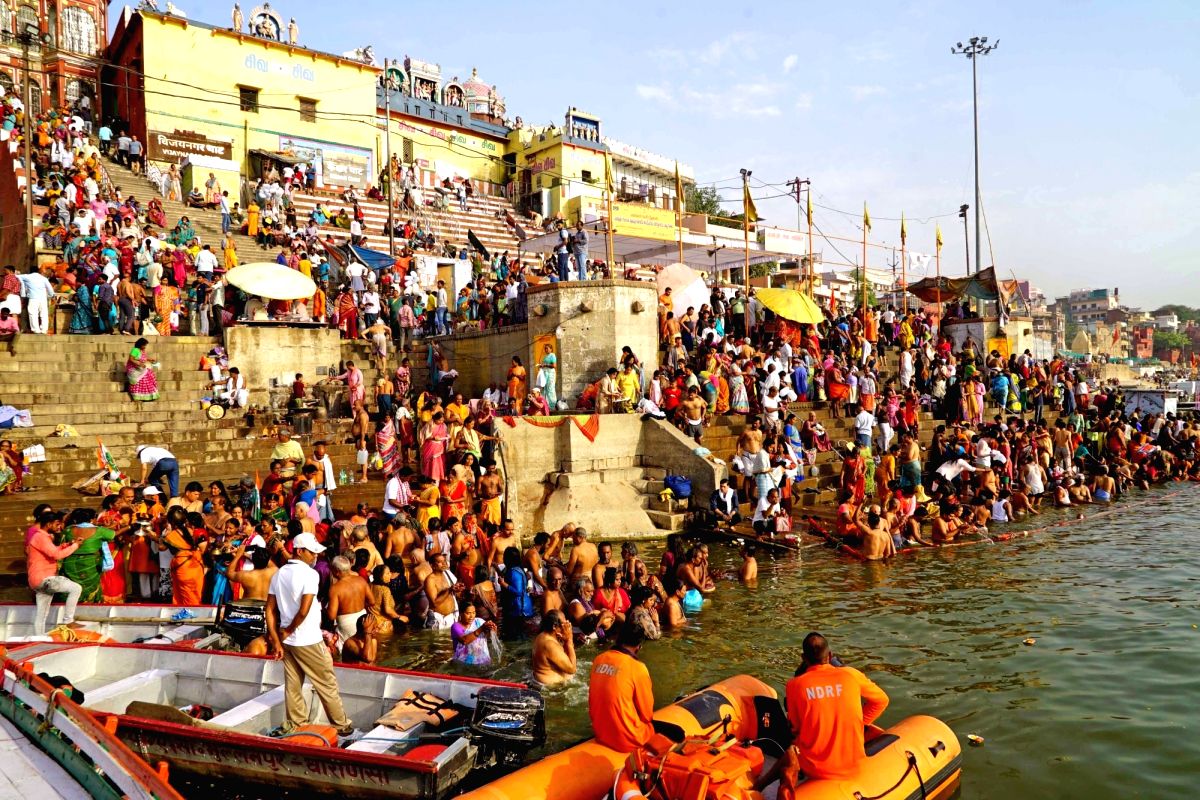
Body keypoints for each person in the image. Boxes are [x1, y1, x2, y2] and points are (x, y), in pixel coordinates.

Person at [265, 532, 354, 737]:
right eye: (312, 553)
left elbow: (269, 610)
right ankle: (341, 725)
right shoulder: (309, 575)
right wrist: (287, 631)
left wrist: (278, 639)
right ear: (300, 551)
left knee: (293, 685)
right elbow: (304, 611)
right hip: (307, 638)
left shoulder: (278, 574)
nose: (316, 557)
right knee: (327, 682)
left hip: (289, 641)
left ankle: (297, 723)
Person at [783, 632, 889, 782]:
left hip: (814, 769)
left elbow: (795, 728)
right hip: (854, 764)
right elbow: (881, 701)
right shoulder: (851, 674)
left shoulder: (794, 685)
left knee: (789, 749)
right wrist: (859, 723)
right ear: (830, 655)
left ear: (804, 658)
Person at [588, 623, 654, 753]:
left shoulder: (599, 659)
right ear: (639, 646)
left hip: (601, 734)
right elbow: (647, 715)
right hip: (629, 741)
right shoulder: (638, 668)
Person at [26, 510, 83, 635]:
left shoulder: (41, 537)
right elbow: (56, 555)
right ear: (48, 524)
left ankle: (39, 638)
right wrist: (75, 547)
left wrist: (68, 545)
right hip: (45, 579)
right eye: (57, 524)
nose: (59, 527)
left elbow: (52, 551)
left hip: (37, 581)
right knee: (76, 588)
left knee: (41, 615)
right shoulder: (41, 537)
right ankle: (68, 620)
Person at [326, 555, 375, 649]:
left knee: (346, 652)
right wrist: (360, 604)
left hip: (346, 624)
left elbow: (331, 616)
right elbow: (372, 602)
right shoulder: (361, 580)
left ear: (336, 571)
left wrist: (324, 609)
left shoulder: (335, 589)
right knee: (364, 647)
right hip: (363, 620)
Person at [531, 609, 577, 685]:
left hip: (546, 685)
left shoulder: (543, 635)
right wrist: (569, 640)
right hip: (551, 688)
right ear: (554, 626)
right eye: (564, 623)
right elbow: (572, 669)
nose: (567, 625)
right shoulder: (549, 644)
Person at [451, 602, 496, 666]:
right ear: (460, 613)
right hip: (463, 663)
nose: (472, 616)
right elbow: (465, 640)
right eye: (468, 613)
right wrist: (481, 628)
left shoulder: (479, 622)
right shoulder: (456, 626)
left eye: (474, 613)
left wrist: (492, 630)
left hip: (482, 660)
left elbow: (489, 637)